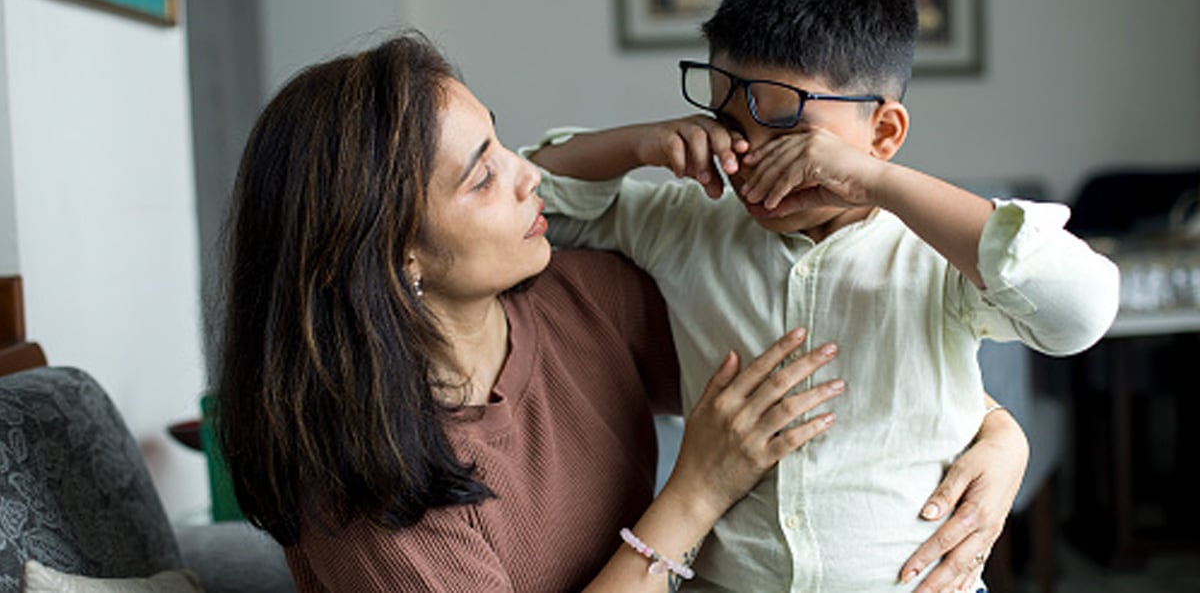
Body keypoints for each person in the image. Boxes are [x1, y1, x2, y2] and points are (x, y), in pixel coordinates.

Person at [215, 31, 1030, 593]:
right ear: (398, 256)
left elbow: (807, 361)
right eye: (483, 176)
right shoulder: (359, 484)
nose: (528, 175)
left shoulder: (579, 298)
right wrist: (697, 492)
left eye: (500, 142)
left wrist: (997, 433)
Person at [528, 0, 1120, 592]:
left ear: (883, 134)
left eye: (789, 131)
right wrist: (637, 145)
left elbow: (1081, 313)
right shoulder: (683, 221)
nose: (749, 157)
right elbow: (528, 199)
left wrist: (877, 183)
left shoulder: (935, 251)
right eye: (730, 124)